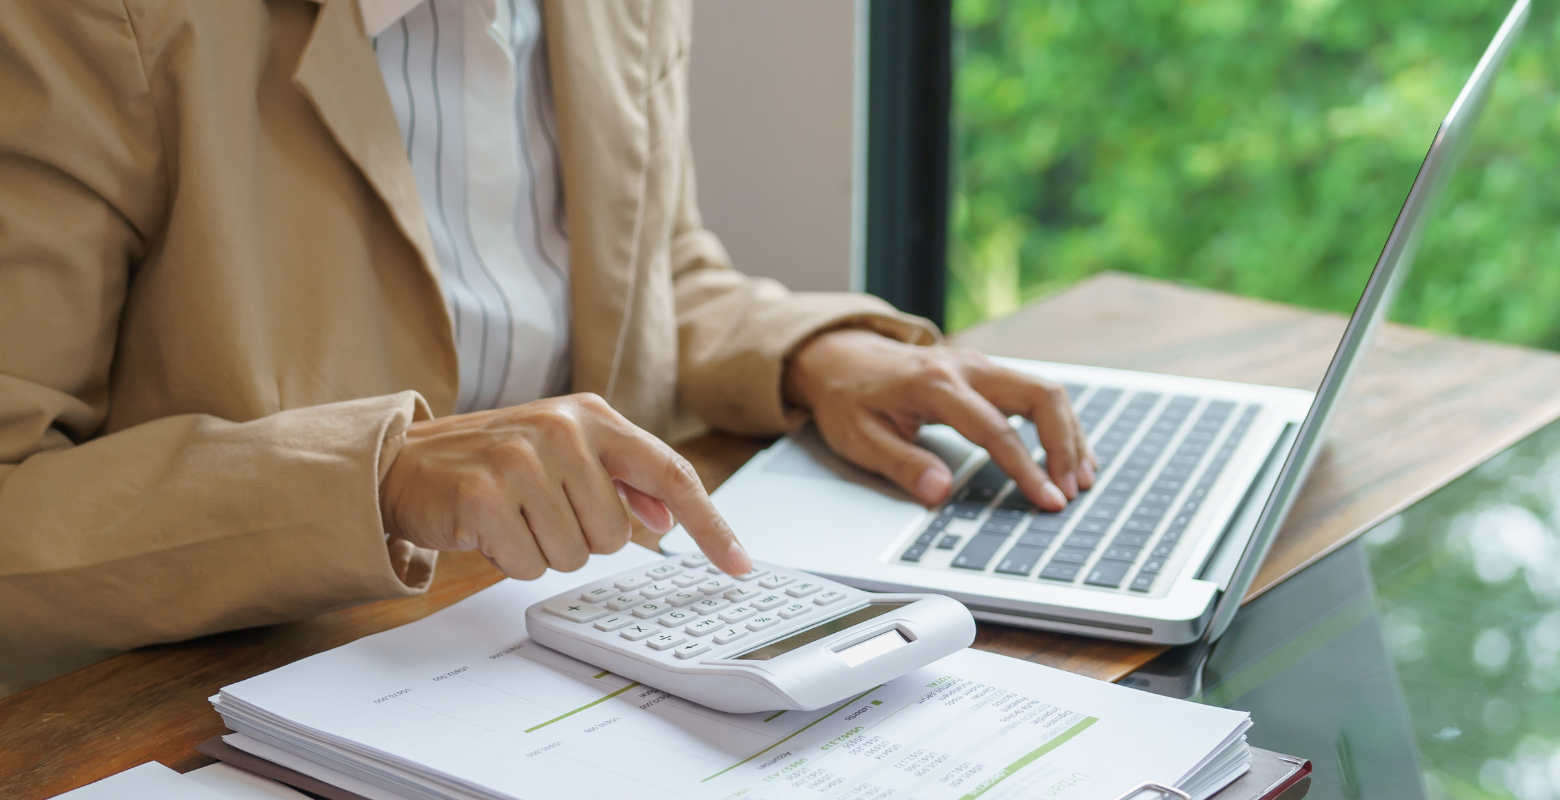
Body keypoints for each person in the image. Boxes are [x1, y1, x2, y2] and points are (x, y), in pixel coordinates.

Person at [0, 0, 1093, 696]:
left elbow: (654, 269)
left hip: (571, 649)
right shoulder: (92, 21)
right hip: (237, 688)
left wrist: (814, 351)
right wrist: (376, 478)